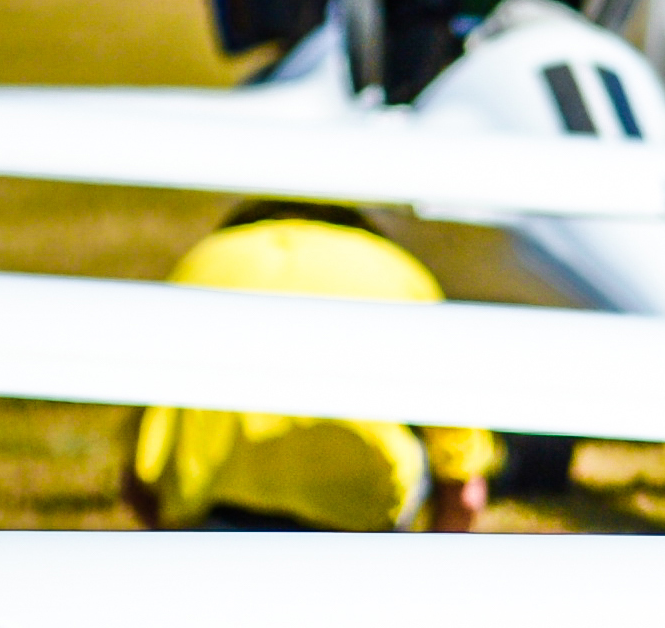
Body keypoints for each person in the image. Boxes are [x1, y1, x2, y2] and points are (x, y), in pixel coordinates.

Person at [119, 204, 503, 534]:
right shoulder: (397, 271)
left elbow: (139, 459)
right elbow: (462, 476)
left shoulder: (203, 259)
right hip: (357, 512)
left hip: (208, 505)